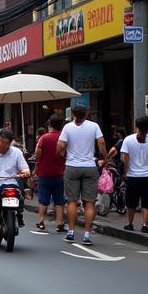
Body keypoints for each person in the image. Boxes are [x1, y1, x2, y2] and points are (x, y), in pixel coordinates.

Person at [57, 104, 106, 245]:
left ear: (73, 114)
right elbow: (101, 143)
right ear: (87, 114)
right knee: (89, 202)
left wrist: (64, 155)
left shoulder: (68, 127)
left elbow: (60, 146)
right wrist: (105, 158)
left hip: (72, 166)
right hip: (90, 166)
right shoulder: (94, 126)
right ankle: (87, 235)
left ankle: (71, 232)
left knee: (72, 201)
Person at [121, 117, 148, 233]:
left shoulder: (128, 140)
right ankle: (144, 225)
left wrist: (125, 172)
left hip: (132, 176)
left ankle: (130, 223)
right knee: (147, 201)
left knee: (131, 201)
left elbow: (125, 159)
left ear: (136, 126)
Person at [32, 115, 66, 233]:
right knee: (59, 200)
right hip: (59, 173)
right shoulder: (63, 138)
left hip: (44, 173)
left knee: (43, 199)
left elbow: (38, 153)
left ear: (50, 125)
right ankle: (59, 223)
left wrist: (37, 164)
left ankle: (41, 221)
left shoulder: (44, 138)